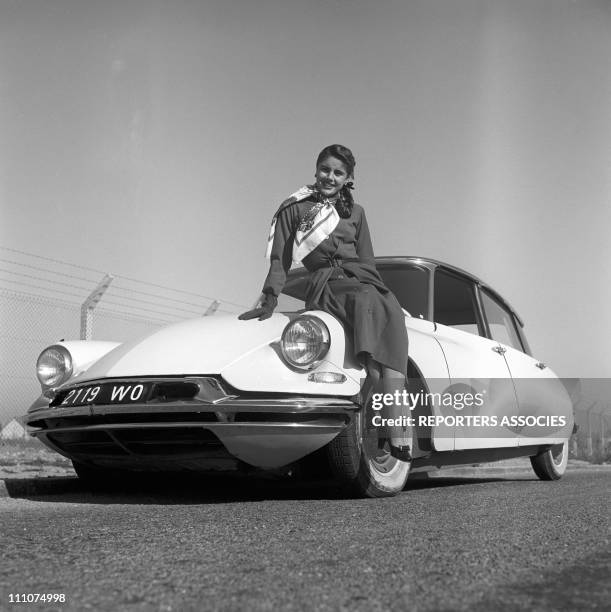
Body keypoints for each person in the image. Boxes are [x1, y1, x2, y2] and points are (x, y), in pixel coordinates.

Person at [239, 144, 411, 460]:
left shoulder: (356, 212)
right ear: (316, 170)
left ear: (348, 178)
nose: (330, 177)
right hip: (327, 284)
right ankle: (387, 428)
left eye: (338, 173)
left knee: (390, 318)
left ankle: (396, 425)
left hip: (362, 283)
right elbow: (280, 259)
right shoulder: (294, 208)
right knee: (372, 361)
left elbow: (367, 260)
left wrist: (380, 292)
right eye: (325, 169)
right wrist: (270, 297)